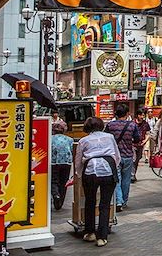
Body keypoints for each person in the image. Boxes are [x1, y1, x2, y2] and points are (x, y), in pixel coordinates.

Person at [74, 117, 120, 247]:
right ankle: (102, 237)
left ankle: (90, 232)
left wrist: (79, 174)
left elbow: (78, 160)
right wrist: (113, 167)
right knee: (105, 204)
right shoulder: (110, 137)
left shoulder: (83, 141)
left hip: (90, 172)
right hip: (108, 171)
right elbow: (117, 156)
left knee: (90, 202)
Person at [105, 104, 140, 212]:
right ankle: (124, 201)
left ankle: (118, 201)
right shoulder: (132, 125)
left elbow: (105, 138)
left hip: (115, 157)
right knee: (126, 180)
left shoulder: (110, 125)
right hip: (128, 156)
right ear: (127, 114)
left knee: (117, 179)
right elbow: (137, 139)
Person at [50, 120, 74, 210]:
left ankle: (55, 194)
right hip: (66, 163)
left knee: (53, 180)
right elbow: (72, 151)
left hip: (53, 162)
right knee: (64, 182)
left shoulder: (50, 139)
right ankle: (60, 203)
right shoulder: (69, 139)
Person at [132, 108, 151, 182]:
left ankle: (133, 174)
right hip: (132, 144)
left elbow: (148, 133)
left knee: (137, 159)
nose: (142, 117)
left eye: (143, 115)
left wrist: (145, 141)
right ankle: (132, 175)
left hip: (140, 144)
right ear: (137, 115)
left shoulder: (145, 124)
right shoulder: (132, 123)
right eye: (141, 115)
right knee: (134, 159)